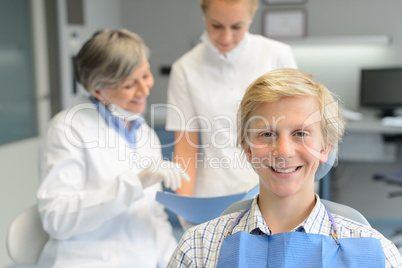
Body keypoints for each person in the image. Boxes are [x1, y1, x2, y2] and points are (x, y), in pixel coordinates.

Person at [168, 68, 402, 267]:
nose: (283, 151)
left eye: (301, 133)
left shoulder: (377, 253)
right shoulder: (198, 249)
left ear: (325, 148)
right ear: (247, 148)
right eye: (266, 134)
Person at [36, 29, 190, 268]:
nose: (144, 90)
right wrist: (134, 184)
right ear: (98, 91)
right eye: (129, 85)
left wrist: (176, 260)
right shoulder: (67, 129)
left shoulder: (144, 133)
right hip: (87, 260)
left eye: (146, 75)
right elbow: (57, 219)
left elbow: (153, 215)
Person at [166, 0, 298, 199]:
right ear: (204, 14)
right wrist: (186, 205)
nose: (226, 37)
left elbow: (297, 130)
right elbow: (186, 147)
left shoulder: (276, 56)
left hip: (273, 184)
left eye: (237, 26)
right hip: (213, 191)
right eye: (216, 25)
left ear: (251, 16)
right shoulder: (185, 69)